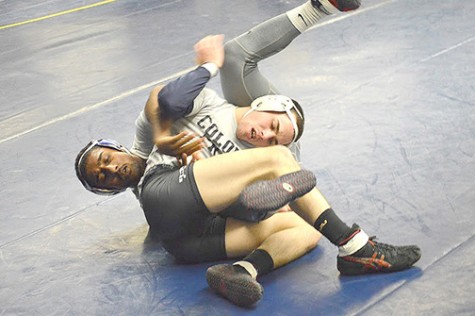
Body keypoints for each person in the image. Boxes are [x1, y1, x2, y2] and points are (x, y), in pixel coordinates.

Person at [75, 0, 421, 308]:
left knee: (305, 229)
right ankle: (355, 247)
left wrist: (268, 201)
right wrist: (165, 134)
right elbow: (161, 98)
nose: (111, 170)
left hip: (198, 234)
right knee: (275, 158)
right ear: (262, 105)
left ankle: (243, 270)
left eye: (105, 161)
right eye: (102, 176)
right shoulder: (206, 109)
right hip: (174, 193)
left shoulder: (271, 148)